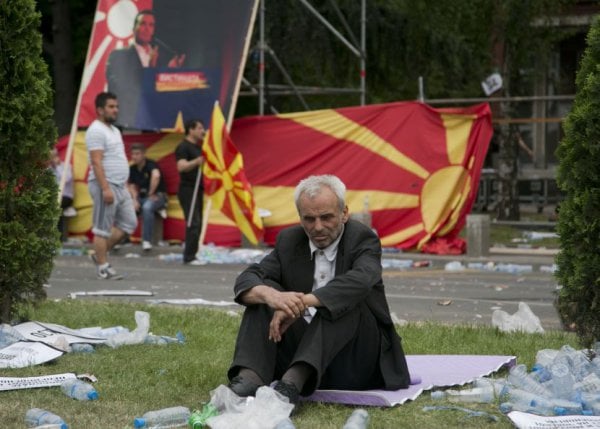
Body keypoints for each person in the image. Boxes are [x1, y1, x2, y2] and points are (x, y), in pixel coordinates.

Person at [226, 175, 411, 408]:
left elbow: (362, 279)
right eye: (309, 219)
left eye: (326, 217)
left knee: (343, 301)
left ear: (344, 213)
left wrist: (303, 302)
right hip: (302, 352)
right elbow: (249, 277)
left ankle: (290, 387)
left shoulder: (363, 239)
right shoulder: (289, 240)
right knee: (263, 295)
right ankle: (249, 378)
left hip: (355, 359)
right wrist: (273, 297)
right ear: (300, 218)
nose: (318, 227)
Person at [86, 92, 137, 279]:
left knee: (129, 223)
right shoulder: (96, 130)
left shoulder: (114, 130)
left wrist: (128, 187)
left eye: (116, 106)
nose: (116, 110)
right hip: (105, 186)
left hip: (121, 186)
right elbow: (96, 162)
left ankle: (98, 254)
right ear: (100, 110)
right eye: (111, 107)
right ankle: (103, 267)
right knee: (102, 229)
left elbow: (120, 160)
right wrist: (105, 188)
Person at [106, 9, 185, 129]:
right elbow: (120, 88)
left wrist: (170, 71)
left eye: (151, 25)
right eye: (143, 24)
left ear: (153, 30)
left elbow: (163, 92)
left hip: (157, 122)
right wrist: (150, 69)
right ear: (133, 29)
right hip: (130, 122)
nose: (147, 28)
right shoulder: (119, 56)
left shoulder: (161, 58)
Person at [175, 119, 205, 265]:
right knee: (193, 222)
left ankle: (193, 253)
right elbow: (181, 167)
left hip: (198, 188)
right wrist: (196, 162)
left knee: (198, 223)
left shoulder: (199, 147)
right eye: (199, 128)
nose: (202, 131)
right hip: (188, 189)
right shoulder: (183, 147)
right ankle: (189, 256)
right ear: (191, 130)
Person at [128, 143, 168, 251]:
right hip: (141, 197)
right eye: (133, 154)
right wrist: (134, 200)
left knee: (147, 207)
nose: (134, 157)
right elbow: (131, 186)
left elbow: (156, 176)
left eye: (137, 154)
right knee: (126, 208)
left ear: (143, 154)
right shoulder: (132, 168)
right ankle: (121, 240)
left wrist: (151, 193)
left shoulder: (151, 164)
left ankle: (146, 241)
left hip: (158, 196)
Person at [49, 148, 76, 241]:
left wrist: (57, 166)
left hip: (66, 196)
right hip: (53, 197)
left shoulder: (66, 166)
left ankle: (59, 237)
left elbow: (66, 179)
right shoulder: (48, 169)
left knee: (56, 206)